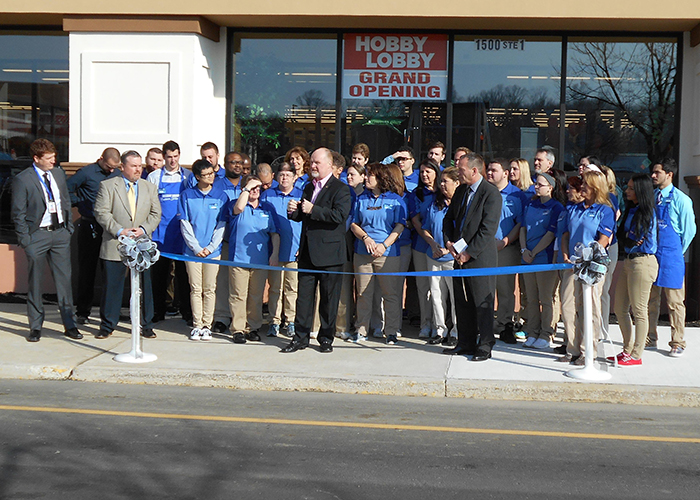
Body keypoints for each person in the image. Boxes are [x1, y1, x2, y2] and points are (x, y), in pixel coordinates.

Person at [11, 138, 83, 342]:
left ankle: (70, 325)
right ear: (37, 158)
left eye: (54, 157)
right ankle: (35, 326)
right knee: (35, 282)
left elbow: (65, 201)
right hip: (37, 235)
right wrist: (26, 239)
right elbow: (18, 212)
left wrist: (68, 228)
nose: (53, 161)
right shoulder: (23, 179)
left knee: (64, 281)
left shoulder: (58, 173)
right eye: (49, 158)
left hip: (60, 233)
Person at [282, 148, 352, 353]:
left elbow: (339, 216)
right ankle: (300, 338)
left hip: (330, 254)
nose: (312, 166)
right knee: (303, 298)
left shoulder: (341, 189)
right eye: (311, 162)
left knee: (329, 299)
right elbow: (304, 216)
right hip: (307, 253)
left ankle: (326, 338)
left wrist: (313, 209)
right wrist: (293, 212)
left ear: (329, 165)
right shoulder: (308, 187)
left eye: (317, 163)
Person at [93, 150, 162, 339]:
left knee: (144, 288)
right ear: (122, 167)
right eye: (133, 166)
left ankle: (146, 324)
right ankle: (107, 325)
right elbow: (101, 212)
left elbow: (156, 213)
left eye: (140, 166)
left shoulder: (149, 187)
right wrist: (120, 230)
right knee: (112, 287)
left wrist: (143, 229)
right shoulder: (108, 186)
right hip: (115, 243)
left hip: (141, 245)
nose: (138, 169)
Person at [442, 153, 502, 361]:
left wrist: (469, 252)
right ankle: (465, 342)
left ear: (474, 170)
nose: (458, 173)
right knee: (462, 300)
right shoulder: (461, 191)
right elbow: (449, 219)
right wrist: (449, 243)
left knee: (482, 302)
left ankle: (485, 344)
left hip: (480, 258)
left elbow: (488, 229)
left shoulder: (490, 194)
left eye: (461, 170)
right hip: (458, 257)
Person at [560, 170, 615, 364]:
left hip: (592, 266)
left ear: (595, 187)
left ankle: (588, 351)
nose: (581, 187)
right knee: (572, 306)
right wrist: (565, 254)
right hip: (573, 264)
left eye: (585, 184)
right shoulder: (574, 208)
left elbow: (604, 239)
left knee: (590, 307)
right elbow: (566, 234)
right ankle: (573, 348)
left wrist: (588, 256)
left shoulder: (604, 210)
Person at [350, 163, 407, 345]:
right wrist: (365, 238)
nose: (366, 178)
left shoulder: (396, 200)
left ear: (381, 178)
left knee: (390, 294)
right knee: (363, 293)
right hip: (363, 252)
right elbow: (354, 224)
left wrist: (384, 245)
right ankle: (361, 329)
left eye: (370, 175)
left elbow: (400, 226)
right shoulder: (360, 199)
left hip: (388, 253)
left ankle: (391, 331)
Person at [647, 158, 696, 357]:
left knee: (675, 302)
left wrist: (677, 251)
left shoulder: (681, 199)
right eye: (653, 172)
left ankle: (678, 342)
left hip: (672, 256)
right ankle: (650, 336)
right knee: (651, 299)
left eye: (657, 172)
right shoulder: (653, 196)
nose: (653, 175)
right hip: (653, 255)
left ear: (669, 174)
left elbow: (689, 230)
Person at [66, 147, 121, 324]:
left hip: (111, 227)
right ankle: (83, 311)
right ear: (101, 159)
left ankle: (111, 311)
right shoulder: (86, 173)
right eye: (109, 166)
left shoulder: (117, 174)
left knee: (110, 271)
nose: (111, 170)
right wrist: (80, 202)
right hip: (90, 224)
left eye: (114, 167)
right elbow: (66, 190)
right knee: (87, 270)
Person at [611, 174, 658, 365]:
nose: (627, 191)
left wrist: (629, 238)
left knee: (639, 310)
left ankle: (637, 354)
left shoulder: (647, 212)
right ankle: (627, 349)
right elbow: (623, 236)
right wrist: (628, 238)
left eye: (631, 188)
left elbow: (637, 237)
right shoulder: (631, 209)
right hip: (629, 261)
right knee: (619, 308)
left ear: (640, 191)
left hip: (643, 262)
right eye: (628, 187)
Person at [178, 159, 228, 341]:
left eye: (211, 173)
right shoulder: (187, 195)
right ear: (197, 177)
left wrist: (211, 247)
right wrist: (196, 247)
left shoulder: (221, 196)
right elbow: (185, 223)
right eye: (205, 175)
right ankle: (197, 324)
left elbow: (221, 225)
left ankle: (207, 325)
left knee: (209, 288)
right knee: (195, 288)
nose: (210, 177)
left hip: (213, 252)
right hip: (192, 252)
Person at [227, 174, 280, 344]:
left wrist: (274, 254)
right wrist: (247, 188)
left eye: (257, 188)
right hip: (238, 259)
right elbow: (238, 208)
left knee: (256, 296)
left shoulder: (267, 207)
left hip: (260, 260)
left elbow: (274, 233)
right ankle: (238, 329)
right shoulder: (235, 204)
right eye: (252, 188)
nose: (255, 191)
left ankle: (252, 327)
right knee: (238, 295)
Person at [147, 140, 193, 324]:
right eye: (169, 157)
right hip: (160, 233)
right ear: (163, 157)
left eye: (175, 156)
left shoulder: (187, 176)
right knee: (159, 276)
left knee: (184, 276)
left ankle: (187, 312)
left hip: (182, 234)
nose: (172, 160)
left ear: (179, 155)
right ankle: (157, 311)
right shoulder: (154, 177)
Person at [414, 166, 461, 345]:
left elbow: (466, 233)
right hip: (433, 255)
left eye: (445, 181)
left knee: (455, 297)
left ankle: (456, 331)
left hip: (453, 258)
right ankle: (440, 330)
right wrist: (433, 244)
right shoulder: (435, 204)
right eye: (440, 181)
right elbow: (425, 228)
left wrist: (450, 250)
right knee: (436, 294)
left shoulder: (462, 205)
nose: (441, 185)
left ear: (456, 183)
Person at [520, 172, 565, 349]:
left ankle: (547, 333)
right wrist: (524, 250)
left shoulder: (556, 207)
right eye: (536, 184)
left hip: (544, 257)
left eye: (540, 184)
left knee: (546, 298)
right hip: (527, 257)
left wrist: (534, 252)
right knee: (531, 298)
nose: (536, 187)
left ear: (550, 188)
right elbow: (523, 228)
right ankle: (532, 331)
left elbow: (550, 234)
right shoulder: (531, 203)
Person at [260, 162, 302, 338]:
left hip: (294, 249)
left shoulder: (301, 195)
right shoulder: (267, 195)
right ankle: (274, 321)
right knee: (275, 288)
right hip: (274, 250)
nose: (284, 178)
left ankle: (290, 320)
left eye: (288, 175)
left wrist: (302, 246)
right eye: (282, 175)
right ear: (277, 177)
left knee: (292, 288)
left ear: (294, 177)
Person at [486, 158, 525, 344]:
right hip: (484, 248)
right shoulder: (484, 192)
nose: (489, 173)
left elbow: (520, 224)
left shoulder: (517, 195)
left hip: (506, 248)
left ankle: (504, 324)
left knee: (505, 289)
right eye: (488, 170)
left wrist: (505, 241)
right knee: (485, 288)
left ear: (506, 174)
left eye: (494, 170)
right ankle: (486, 324)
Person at [211, 151, 246, 333]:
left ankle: (242, 319)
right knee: (223, 281)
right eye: (233, 162)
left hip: (244, 243)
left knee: (242, 285)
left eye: (240, 162)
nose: (237, 165)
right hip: (224, 240)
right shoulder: (217, 185)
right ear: (225, 164)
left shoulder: (248, 184)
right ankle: (222, 317)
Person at [409, 159, 441, 338]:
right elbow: (415, 221)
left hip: (442, 248)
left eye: (428, 171)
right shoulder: (417, 194)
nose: (424, 175)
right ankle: (425, 324)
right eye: (421, 172)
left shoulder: (443, 192)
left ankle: (439, 325)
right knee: (423, 288)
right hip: (421, 246)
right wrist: (430, 241)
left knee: (438, 288)